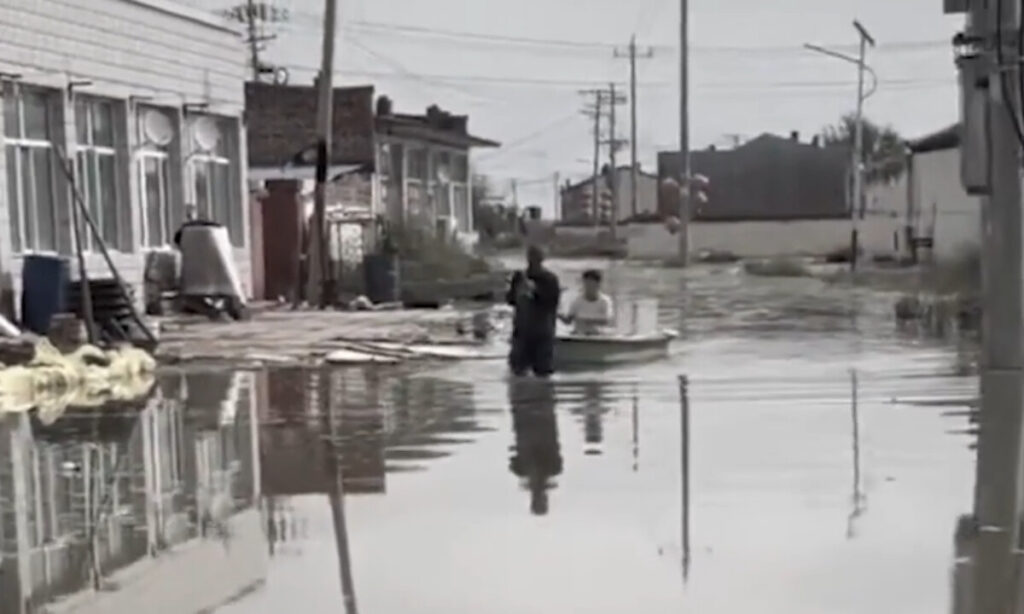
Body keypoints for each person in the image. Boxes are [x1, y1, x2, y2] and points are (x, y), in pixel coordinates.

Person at [507, 245, 561, 377]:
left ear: (542, 259)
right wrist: (518, 291)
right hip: (522, 331)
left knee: (543, 372)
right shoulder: (519, 277)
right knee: (517, 371)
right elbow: (510, 300)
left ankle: (541, 390)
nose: (533, 261)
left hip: (542, 332)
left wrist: (535, 290)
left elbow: (552, 302)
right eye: (531, 257)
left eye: (536, 258)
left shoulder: (550, 279)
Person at [560, 269, 614, 335]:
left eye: (591, 283)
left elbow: (607, 321)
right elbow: (568, 321)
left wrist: (584, 321)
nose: (588, 286)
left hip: (599, 336)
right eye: (586, 283)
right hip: (579, 335)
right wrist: (556, 312)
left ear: (598, 284)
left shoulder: (605, 301)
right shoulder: (577, 301)